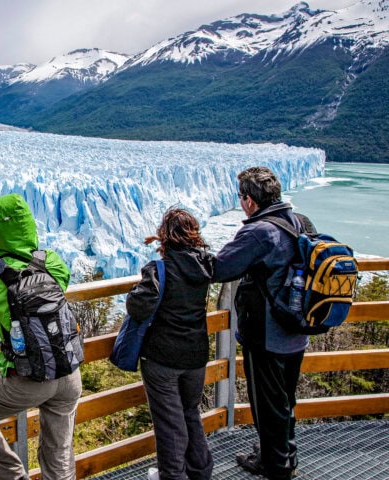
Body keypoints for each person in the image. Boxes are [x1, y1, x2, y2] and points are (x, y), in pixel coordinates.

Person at [0, 193, 82, 480]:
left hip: (28, 380)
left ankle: (12, 476)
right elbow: (64, 278)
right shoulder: (52, 261)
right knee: (58, 452)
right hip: (68, 373)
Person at [213, 166, 313, 480]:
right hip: (297, 330)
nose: (241, 203)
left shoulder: (258, 231)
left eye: (241, 197)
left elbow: (220, 268)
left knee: (268, 405)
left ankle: (276, 468)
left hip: (268, 335)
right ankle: (285, 457)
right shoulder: (298, 221)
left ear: (250, 201)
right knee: (285, 400)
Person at [126, 208, 215, 480]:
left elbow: (138, 306)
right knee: (190, 413)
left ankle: (172, 476)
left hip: (163, 358)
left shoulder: (160, 269)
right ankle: (200, 471)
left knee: (169, 423)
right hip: (196, 356)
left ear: (166, 236)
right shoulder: (205, 265)